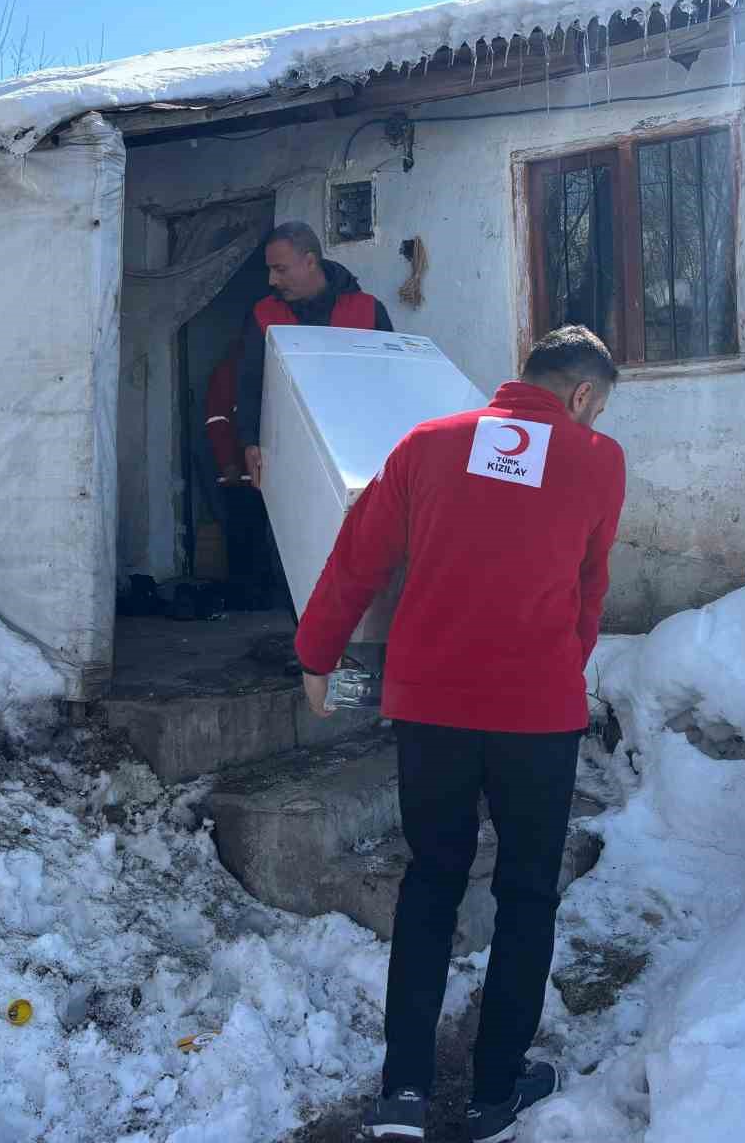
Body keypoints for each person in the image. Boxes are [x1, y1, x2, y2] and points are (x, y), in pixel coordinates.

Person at [292, 326, 626, 1143]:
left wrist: (316, 653)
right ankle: (493, 1091)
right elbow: (590, 589)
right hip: (537, 718)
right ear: (581, 397)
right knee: (525, 893)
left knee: (432, 881)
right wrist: (558, 665)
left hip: (431, 708)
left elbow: (356, 556)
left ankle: (402, 1091)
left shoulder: (428, 444)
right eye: (597, 407)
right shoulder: (597, 460)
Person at [235, 221, 394, 488]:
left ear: (310, 262)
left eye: (280, 269)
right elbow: (249, 384)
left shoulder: (367, 310)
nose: (272, 280)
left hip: (359, 457)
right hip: (287, 458)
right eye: (270, 270)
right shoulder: (264, 315)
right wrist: (249, 441)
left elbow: (390, 384)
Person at [203, 340, 275, 612]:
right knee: (245, 533)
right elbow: (217, 421)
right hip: (242, 475)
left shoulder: (279, 370)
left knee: (268, 536)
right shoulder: (229, 371)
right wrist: (228, 464)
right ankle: (247, 596)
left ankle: (266, 593)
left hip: (276, 472)